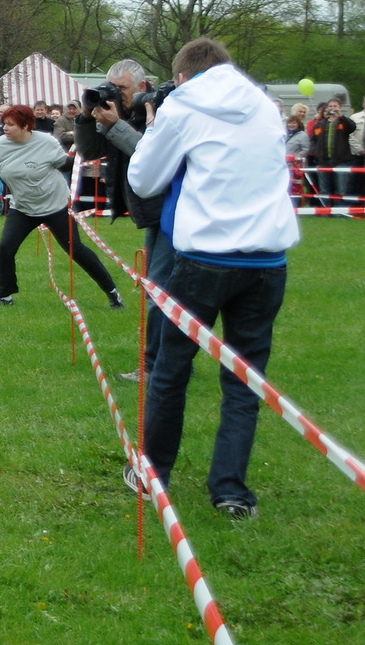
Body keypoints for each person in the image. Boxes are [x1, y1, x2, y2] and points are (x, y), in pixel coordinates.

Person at [127, 37, 300, 519]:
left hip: (205, 256)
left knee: (171, 369)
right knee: (245, 377)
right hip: (267, 258)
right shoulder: (265, 106)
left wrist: (157, 127)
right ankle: (230, 489)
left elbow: (143, 179)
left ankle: (153, 473)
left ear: (182, 78)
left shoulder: (183, 105)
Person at [0, 104, 122, 308]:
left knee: (75, 250)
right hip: (22, 208)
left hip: (54, 206)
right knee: (6, 248)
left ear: (25, 126)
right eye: (4, 124)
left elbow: (65, 164)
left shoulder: (47, 142)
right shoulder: (0, 144)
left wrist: (86, 153)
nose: (4, 128)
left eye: (10, 124)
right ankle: (4, 296)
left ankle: (112, 292)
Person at [74, 59, 169, 377]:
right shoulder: (119, 112)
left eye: (121, 89)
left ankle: (155, 366)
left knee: (159, 291)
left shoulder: (163, 110)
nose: (113, 94)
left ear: (143, 87)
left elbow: (150, 154)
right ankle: (169, 362)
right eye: (110, 87)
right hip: (155, 214)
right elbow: (88, 152)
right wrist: (87, 118)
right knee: (163, 290)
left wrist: (116, 126)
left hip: (169, 212)